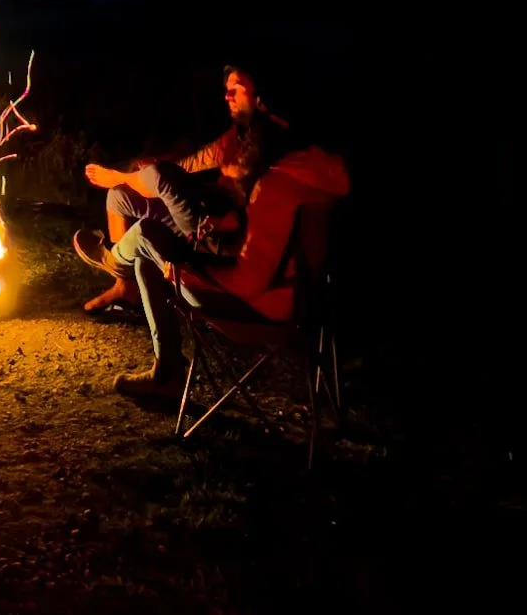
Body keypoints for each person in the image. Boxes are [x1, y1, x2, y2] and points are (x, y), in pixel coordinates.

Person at [77, 64, 349, 398]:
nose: (228, 94)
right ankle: (161, 359)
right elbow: (254, 231)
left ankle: (119, 272)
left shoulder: (277, 184)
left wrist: (184, 271)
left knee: (148, 237)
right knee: (144, 225)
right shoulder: (304, 168)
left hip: (262, 308)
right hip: (290, 294)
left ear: (266, 105)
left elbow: (251, 280)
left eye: (239, 86)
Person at [74, 64, 294, 313]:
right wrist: (151, 171)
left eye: (237, 88)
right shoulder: (238, 135)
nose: (227, 96)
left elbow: (261, 207)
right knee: (120, 196)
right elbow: (193, 164)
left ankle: (114, 261)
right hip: (203, 216)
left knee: (152, 177)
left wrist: (138, 175)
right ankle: (125, 287)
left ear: (260, 96)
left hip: (219, 234)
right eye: (226, 89)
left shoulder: (276, 142)